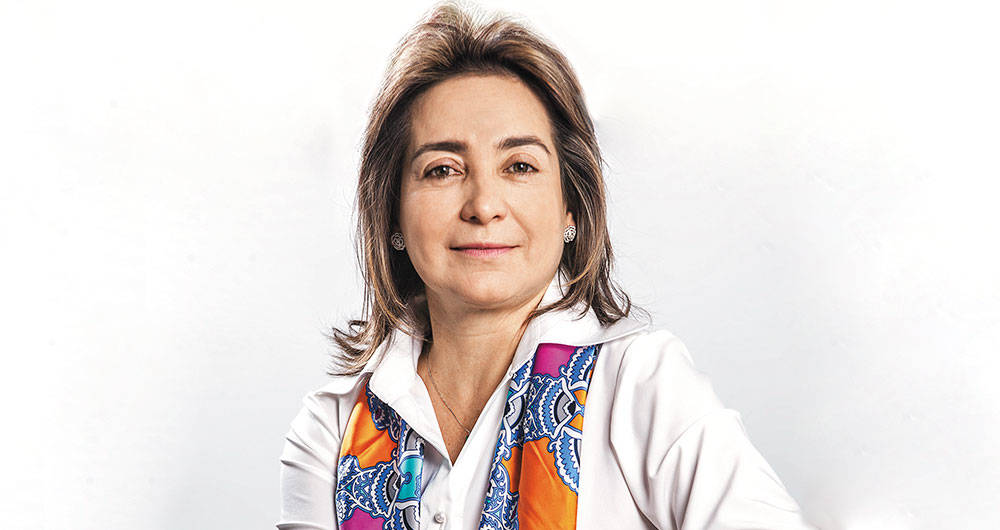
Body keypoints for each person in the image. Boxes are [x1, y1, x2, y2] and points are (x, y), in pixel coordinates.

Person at [278, 2, 817, 529]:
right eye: (442, 169)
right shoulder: (333, 427)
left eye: (519, 165)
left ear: (569, 208)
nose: (484, 205)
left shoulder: (639, 384)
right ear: (392, 212)